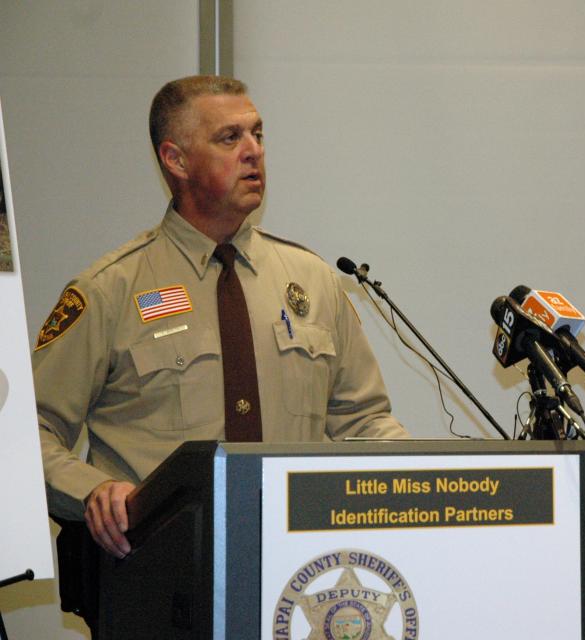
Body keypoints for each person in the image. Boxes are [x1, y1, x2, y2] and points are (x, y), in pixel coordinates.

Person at [33, 76, 407, 566]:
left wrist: (421, 481)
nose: (253, 151)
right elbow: (25, 433)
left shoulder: (312, 280)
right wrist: (94, 491)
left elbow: (365, 422)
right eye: (230, 138)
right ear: (176, 159)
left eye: (258, 134)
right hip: (158, 566)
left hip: (295, 567)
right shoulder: (110, 289)